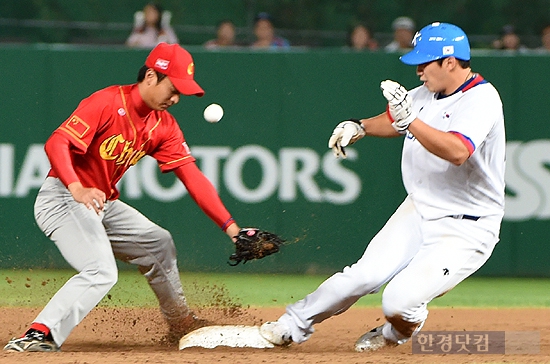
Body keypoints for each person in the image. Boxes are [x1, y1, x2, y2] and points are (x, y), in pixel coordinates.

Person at [259, 22, 505, 352]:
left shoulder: (482, 98)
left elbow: (458, 151)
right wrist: (359, 126)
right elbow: (394, 119)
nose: (418, 70)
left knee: (398, 302)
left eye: (425, 62)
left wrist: (410, 123)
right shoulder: (425, 94)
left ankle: (400, 331)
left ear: (450, 61)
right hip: (420, 207)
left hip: (467, 226)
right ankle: (290, 325)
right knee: (362, 275)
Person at [3, 43, 243, 352]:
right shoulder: (106, 102)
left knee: (159, 242)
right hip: (64, 197)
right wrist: (77, 187)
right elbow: (56, 143)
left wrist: (233, 230)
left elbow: (193, 178)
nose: (176, 98)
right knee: (100, 270)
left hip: (102, 204)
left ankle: (181, 323)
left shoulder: (163, 124)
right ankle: (40, 334)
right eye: (173, 88)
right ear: (152, 76)